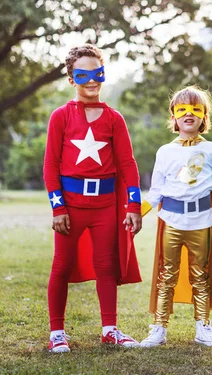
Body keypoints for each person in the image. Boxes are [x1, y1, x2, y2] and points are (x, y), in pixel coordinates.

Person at [43, 44, 142, 353]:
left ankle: (109, 329)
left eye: (97, 73)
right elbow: (50, 165)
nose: (91, 80)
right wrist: (58, 207)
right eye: (82, 74)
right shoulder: (61, 116)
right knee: (61, 265)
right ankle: (57, 332)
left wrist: (134, 205)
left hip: (105, 206)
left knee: (106, 266)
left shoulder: (114, 118)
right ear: (72, 78)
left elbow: (128, 164)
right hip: (71, 205)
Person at [138, 86, 212, 348]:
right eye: (182, 109)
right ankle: (159, 327)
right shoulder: (165, 151)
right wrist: (137, 211)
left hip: (202, 221)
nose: (189, 114)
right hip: (172, 221)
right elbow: (156, 190)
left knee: (201, 275)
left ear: (204, 116)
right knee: (167, 275)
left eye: (195, 109)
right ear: (174, 117)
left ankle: (203, 326)